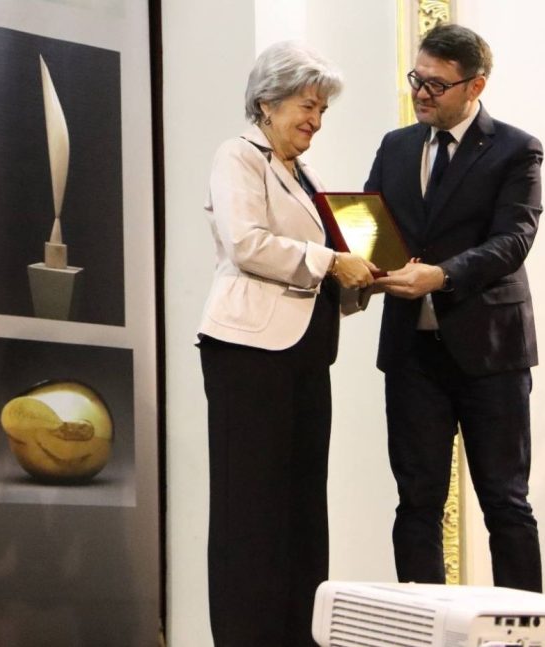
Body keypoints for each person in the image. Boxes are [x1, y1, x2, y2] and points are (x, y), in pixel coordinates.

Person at [197, 42, 375, 646]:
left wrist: (369, 275)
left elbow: (333, 259)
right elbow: (246, 242)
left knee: (302, 510)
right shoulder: (238, 155)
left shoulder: (308, 176)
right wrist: (332, 262)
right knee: (249, 511)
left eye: (322, 109)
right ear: (268, 103)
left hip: (305, 354)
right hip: (248, 355)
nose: (316, 121)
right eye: (307, 106)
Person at [366, 23, 543, 593]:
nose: (421, 93)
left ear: (475, 86)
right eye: (417, 79)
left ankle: (524, 627)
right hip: (412, 352)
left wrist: (441, 276)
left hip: (491, 350)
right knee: (416, 501)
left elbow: (513, 240)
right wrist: (362, 263)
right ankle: (423, 626)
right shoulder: (396, 146)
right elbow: (372, 224)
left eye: (437, 85)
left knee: (505, 502)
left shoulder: (516, 149)